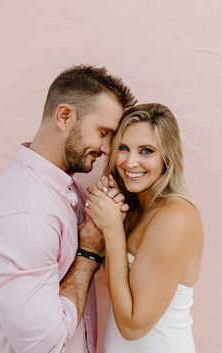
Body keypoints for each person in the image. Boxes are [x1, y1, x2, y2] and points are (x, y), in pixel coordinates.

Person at [0, 65, 135, 353]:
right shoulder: (26, 214)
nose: (107, 148)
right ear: (64, 116)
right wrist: (89, 253)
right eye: (103, 132)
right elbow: (44, 346)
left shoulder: (66, 188)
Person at [85, 103, 204, 353]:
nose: (131, 162)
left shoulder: (176, 218)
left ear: (167, 157)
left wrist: (114, 230)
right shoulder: (137, 208)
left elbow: (132, 326)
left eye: (146, 151)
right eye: (124, 148)